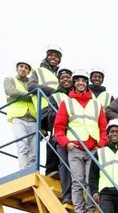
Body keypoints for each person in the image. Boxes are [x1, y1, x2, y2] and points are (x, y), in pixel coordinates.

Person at [53, 69, 108, 213]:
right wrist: (67, 144)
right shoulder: (67, 103)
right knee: (78, 181)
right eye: (78, 80)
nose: (81, 83)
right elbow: (58, 128)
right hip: (75, 148)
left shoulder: (97, 104)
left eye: (83, 80)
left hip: (93, 149)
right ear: (74, 83)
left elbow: (103, 127)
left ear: (87, 83)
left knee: (91, 182)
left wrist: (101, 144)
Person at [32, 45, 63, 178]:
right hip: (44, 108)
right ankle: (50, 169)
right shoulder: (38, 71)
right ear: (46, 56)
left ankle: (58, 169)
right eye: (51, 55)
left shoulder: (60, 74)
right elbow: (31, 86)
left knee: (58, 137)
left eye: (56, 56)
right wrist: (52, 91)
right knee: (53, 137)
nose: (53, 58)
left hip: (57, 108)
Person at [3, 61, 37, 170]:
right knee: (22, 146)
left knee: (34, 150)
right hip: (18, 118)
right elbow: (12, 91)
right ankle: (24, 171)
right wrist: (30, 95)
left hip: (33, 118)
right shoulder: (10, 79)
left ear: (28, 71)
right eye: (21, 66)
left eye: (26, 68)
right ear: (17, 68)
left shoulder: (32, 83)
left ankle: (33, 172)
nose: (23, 69)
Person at [50, 69, 74, 204]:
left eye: (68, 77)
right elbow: (49, 115)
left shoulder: (77, 95)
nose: (66, 80)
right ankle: (67, 195)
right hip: (61, 136)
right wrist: (64, 115)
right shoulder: (55, 97)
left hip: (78, 137)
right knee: (65, 164)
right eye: (62, 78)